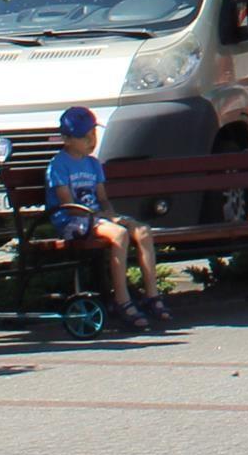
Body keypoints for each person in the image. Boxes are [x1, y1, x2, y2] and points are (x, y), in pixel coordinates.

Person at [44, 107, 170, 330]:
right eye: (84, 136)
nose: (91, 140)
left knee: (142, 230)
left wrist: (111, 214)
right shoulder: (58, 165)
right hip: (72, 221)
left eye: (93, 133)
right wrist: (103, 219)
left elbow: (102, 198)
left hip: (97, 218)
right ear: (67, 139)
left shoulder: (93, 164)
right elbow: (68, 205)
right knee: (119, 234)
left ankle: (152, 295)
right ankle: (122, 300)